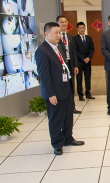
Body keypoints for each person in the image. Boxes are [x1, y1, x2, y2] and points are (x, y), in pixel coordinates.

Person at [35, 22, 85, 156]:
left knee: (68, 116)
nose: (59, 35)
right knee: (56, 118)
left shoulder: (59, 47)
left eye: (59, 33)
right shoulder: (42, 51)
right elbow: (44, 76)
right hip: (54, 92)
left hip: (66, 88)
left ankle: (68, 138)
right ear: (47, 34)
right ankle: (57, 144)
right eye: (56, 33)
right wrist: (50, 94)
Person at [56, 14, 80, 114]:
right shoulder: (56, 37)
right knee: (63, 85)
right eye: (62, 22)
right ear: (57, 24)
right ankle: (64, 107)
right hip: (61, 64)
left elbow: (74, 52)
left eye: (65, 22)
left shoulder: (70, 37)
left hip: (70, 63)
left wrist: (76, 65)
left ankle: (72, 106)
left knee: (71, 85)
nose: (64, 24)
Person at [74, 21, 96, 101]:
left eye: (83, 27)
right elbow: (75, 51)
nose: (82, 29)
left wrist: (88, 58)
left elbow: (92, 49)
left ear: (85, 28)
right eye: (80, 28)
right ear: (77, 29)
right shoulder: (75, 39)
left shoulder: (89, 38)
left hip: (87, 62)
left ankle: (88, 93)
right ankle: (80, 95)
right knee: (79, 80)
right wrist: (83, 58)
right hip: (79, 62)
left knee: (88, 79)